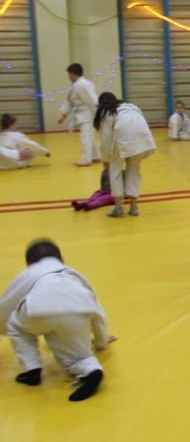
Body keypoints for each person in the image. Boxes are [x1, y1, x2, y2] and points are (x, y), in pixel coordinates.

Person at [0, 239, 115, 401]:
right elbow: (97, 312)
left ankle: (32, 370)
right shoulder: (75, 274)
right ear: (62, 259)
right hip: (78, 311)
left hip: (39, 313)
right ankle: (91, 370)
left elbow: (6, 304)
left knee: (17, 327)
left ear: (29, 263)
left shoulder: (28, 273)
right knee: (78, 357)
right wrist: (101, 341)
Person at [94, 93, 157, 218]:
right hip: (142, 133)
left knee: (115, 169)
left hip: (124, 132)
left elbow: (106, 138)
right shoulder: (130, 106)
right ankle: (133, 207)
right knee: (134, 169)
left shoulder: (107, 110)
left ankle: (118, 207)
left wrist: (106, 158)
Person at [57, 63, 100, 166]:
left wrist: (98, 113)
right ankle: (95, 156)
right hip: (83, 114)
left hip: (88, 114)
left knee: (86, 137)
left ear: (72, 74)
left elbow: (92, 100)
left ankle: (86, 159)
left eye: (69, 74)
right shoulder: (77, 85)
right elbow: (69, 101)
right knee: (88, 136)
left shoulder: (83, 84)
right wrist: (63, 115)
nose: (68, 77)